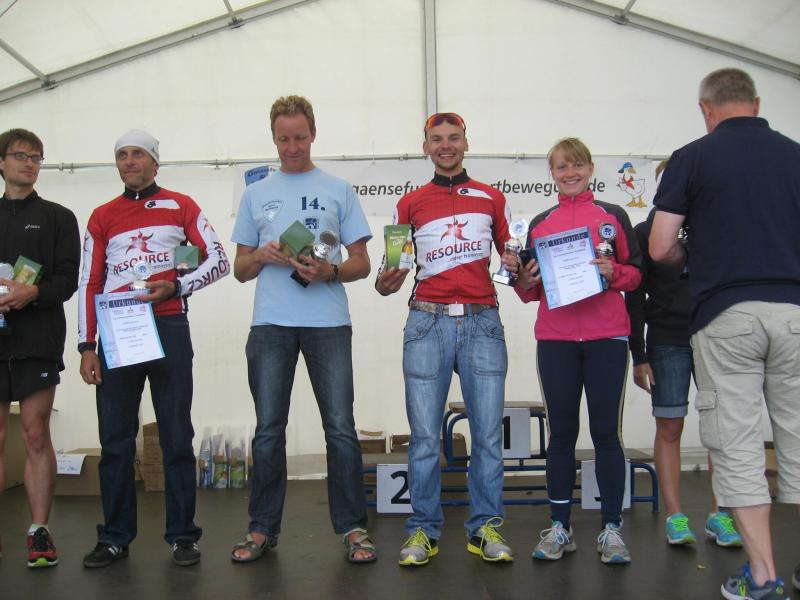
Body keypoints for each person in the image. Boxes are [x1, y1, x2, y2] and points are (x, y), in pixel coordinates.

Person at [650, 67, 800, 600]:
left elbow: (660, 245)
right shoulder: (795, 154)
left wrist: (697, 256)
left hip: (726, 313)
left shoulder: (693, 156)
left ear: (705, 108)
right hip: (795, 312)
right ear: (756, 103)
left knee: (736, 444)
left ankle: (762, 576)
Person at [230, 95, 376, 564]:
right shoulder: (255, 193)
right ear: (273, 138)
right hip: (270, 324)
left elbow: (361, 263)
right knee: (268, 431)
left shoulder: (339, 189)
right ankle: (261, 528)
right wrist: (261, 255)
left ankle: (353, 528)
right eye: (283, 139)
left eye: (299, 137)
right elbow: (239, 269)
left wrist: (329, 273)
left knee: (341, 429)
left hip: (328, 324)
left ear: (313, 134)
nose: (292, 147)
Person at [77, 129, 230, 568]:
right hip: (117, 330)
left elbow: (218, 259)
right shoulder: (102, 215)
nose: (129, 161)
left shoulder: (181, 205)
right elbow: (89, 281)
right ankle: (114, 537)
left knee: (176, 436)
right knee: (115, 441)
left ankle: (183, 536)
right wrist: (86, 345)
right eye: (122, 155)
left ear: (155, 162)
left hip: (168, 325)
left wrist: (177, 287)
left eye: (138, 154)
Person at [376, 112, 513, 566]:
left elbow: (513, 262)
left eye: (454, 138)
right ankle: (423, 530)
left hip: (482, 321)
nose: (446, 145)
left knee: (488, 436)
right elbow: (388, 277)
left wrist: (522, 269)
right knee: (423, 438)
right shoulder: (409, 204)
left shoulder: (493, 198)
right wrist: (387, 279)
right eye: (437, 139)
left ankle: (485, 527)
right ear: (426, 147)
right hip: (426, 323)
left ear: (466, 143)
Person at [503, 137, 642, 564]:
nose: (570, 173)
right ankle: (560, 527)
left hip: (607, 338)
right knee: (561, 434)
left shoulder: (613, 216)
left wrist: (613, 272)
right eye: (562, 167)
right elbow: (529, 291)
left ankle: (612, 529)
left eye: (577, 165)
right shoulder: (540, 224)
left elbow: (637, 275)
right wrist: (522, 279)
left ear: (591, 168)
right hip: (557, 340)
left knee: (606, 434)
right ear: (552, 174)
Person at [625, 161, 742, 548]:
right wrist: (639, 354)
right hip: (667, 339)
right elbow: (634, 296)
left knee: (720, 431)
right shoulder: (645, 233)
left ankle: (720, 515)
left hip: (715, 337)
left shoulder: (715, 228)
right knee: (669, 426)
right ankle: (675, 517)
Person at [0, 129, 80, 567]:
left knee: (34, 432)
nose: (29, 163)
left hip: (38, 339)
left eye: (36, 157)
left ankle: (39, 532)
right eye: (20, 155)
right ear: (1, 162)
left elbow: (68, 280)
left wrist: (32, 293)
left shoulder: (58, 217)